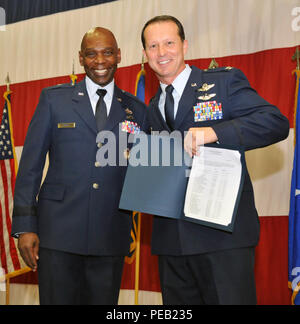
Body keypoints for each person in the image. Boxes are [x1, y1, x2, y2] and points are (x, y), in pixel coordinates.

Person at [141, 15, 290, 305]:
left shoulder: (222, 83)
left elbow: (275, 122)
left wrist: (214, 132)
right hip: (171, 244)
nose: (162, 53)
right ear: (145, 54)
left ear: (185, 45)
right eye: (153, 46)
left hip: (222, 239)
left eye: (169, 43)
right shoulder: (151, 108)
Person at [11, 27, 146, 304]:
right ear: (81, 58)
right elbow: (30, 168)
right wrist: (25, 226)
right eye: (91, 54)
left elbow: (147, 168)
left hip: (110, 233)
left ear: (118, 55)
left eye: (108, 53)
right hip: (57, 234)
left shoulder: (137, 110)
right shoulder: (54, 99)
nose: (100, 61)